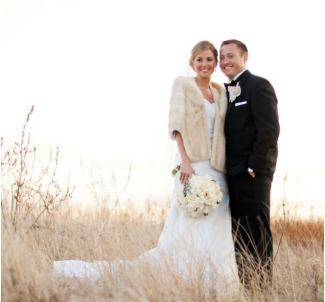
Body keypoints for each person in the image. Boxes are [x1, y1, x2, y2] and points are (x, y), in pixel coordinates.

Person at [53, 41, 239, 292]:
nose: (204, 64)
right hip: (192, 164)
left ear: (216, 63)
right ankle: (182, 277)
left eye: (209, 60)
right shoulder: (182, 85)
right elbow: (176, 124)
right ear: (192, 63)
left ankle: (214, 283)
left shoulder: (220, 91)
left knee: (217, 224)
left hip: (217, 168)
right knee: (188, 223)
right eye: (199, 60)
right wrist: (184, 160)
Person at [219, 39, 280, 283]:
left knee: (257, 232)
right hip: (232, 174)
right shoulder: (226, 92)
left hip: (253, 173)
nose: (225, 62)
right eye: (222, 57)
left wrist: (255, 166)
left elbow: (269, 130)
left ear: (245, 57)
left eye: (230, 56)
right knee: (239, 235)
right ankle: (246, 286)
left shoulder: (258, 85)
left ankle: (263, 290)